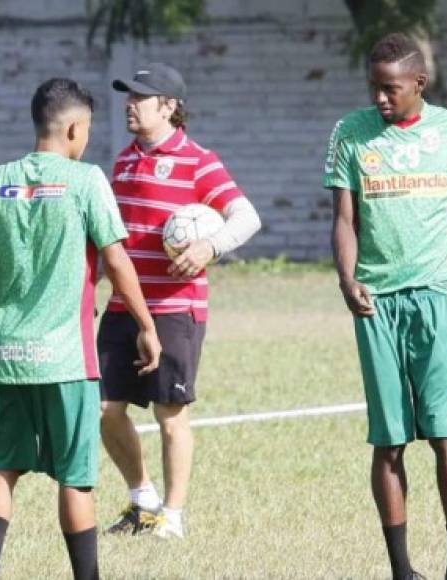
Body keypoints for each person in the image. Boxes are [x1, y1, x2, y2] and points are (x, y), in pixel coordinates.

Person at [0, 78, 162, 580]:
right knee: (76, 479)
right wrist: (146, 324)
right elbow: (117, 261)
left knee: (2, 468)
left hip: (8, 355)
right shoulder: (85, 181)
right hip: (66, 361)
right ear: (75, 127)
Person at [326, 33, 447, 580]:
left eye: (390, 89)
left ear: (419, 84)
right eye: (373, 87)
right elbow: (345, 219)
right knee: (390, 440)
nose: (380, 98)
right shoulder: (350, 133)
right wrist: (348, 279)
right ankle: (402, 570)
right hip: (376, 303)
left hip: (434, 299)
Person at [99, 63, 261, 538]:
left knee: (170, 414)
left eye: (140, 98)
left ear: (170, 107)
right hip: (123, 307)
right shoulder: (123, 161)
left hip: (174, 308)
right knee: (105, 409)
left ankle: (172, 516)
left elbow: (246, 217)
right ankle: (142, 498)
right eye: (128, 96)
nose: (130, 104)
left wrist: (208, 247)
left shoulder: (198, 160)